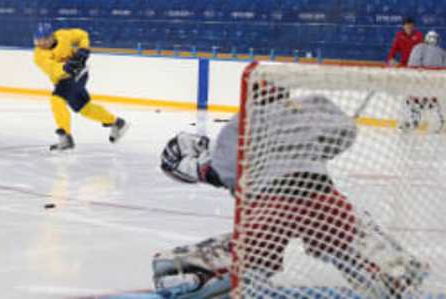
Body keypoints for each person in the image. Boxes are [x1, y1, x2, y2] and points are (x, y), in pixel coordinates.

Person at [155, 85, 429, 298]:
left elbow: (228, 173)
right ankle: (390, 271)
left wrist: (214, 173)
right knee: (348, 239)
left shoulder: (240, 123)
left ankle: (202, 277)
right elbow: (345, 133)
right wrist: (313, 150)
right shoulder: (309, 107)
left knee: (245, 265)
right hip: (323, 198)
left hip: (271, 205)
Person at [33, 23, 129, 151]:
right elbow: (52, 69)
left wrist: (83, 48)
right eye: (38, 40)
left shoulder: (63, 35)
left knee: (57, 99)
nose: (41, 43)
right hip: (64, 79)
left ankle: (65, 137)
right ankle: (117, 122)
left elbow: (83, 35)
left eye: (44, 39)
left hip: (79, 74)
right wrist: (65, 67)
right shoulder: (38, 55)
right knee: (85, 108)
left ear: (52, 37)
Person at [398, 31, 446, 132]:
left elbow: (412, 65)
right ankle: (439, 123)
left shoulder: (419, 47)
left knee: (409, 101)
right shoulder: (441, 52)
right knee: (433, 103)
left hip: (421, 83)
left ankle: (410, 121)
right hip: (432, 85)